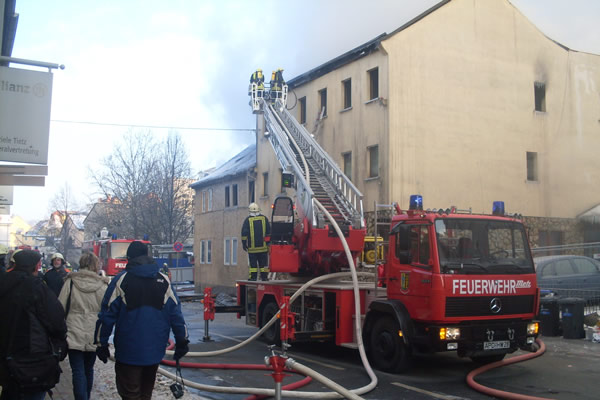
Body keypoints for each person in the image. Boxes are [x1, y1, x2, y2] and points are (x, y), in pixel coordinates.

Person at [94, 241, 189, 400]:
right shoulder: (163, 281)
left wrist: (101, 343)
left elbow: (107, 315)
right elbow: (176, 314)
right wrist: (182, 341)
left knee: (130, 394)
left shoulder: (121, 281)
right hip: (154, 350)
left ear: (129, 258)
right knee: (146, 394)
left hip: (128, 350)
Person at [0, 250, 67, 400]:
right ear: (36, 266)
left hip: (5, 358)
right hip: (32, 360)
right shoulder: (36, 287)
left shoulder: (3, 283)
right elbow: (56, 320)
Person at [58, 252, 110, 400]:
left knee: (77, 370)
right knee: (89, 369)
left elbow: (60, 307)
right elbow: (108, 310)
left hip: (73, 330)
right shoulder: (102, 285)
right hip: (94, 332)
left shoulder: (70, 282)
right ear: (95, 265)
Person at [241, 203, 271, 281]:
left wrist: (244, 243)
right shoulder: (264, 219)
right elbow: (269, 232)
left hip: (252, 249)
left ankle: (253, 277)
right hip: (263, 248)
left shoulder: (247, 220)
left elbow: (244, 233)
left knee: (253, 266)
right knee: (263, 265)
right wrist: (268, 243)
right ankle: (264, 277)